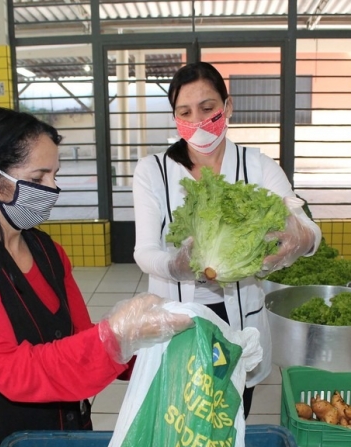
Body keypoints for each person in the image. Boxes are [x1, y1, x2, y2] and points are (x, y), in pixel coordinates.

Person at [0, 107, 192, 447]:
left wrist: (154, 347)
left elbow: (79, 337)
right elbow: (12, 371)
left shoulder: (46, 250)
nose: (52, 189)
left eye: (54, 175)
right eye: (37, 178)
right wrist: (114, 337)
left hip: (60, 434)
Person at [132, 62, 321, 417]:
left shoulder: (258, 165)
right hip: (176, 318)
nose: (198, 121)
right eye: (185, 112)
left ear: (227, 107)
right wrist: (176, 267)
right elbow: (144, 252)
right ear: (174, 117)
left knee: (230, 416)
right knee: (180, 419)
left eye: (208, 108)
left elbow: (307, 228)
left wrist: (301, 237)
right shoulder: (153, 171)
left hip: (238, 318)